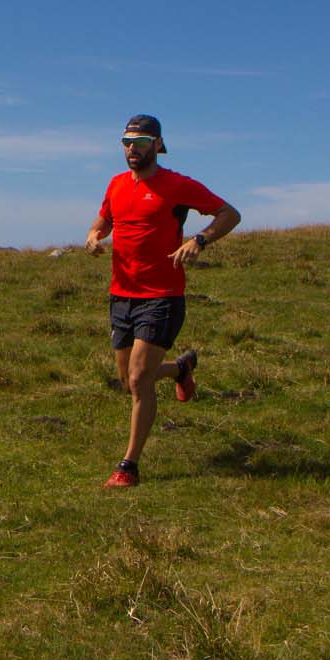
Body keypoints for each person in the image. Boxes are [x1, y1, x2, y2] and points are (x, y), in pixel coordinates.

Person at [84, 114, 242, 488]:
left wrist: (199, 240)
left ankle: (128, 467)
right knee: (129, 382)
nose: (131, 150)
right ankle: (180, 369)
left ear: (157, 144)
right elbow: (103, 220)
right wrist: (94, 235)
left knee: (139, 379)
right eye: (126, 142)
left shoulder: (176, 185)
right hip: (121, 294)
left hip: (163, 295)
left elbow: (229, 214)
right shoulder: (117, 184)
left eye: (140, 143)